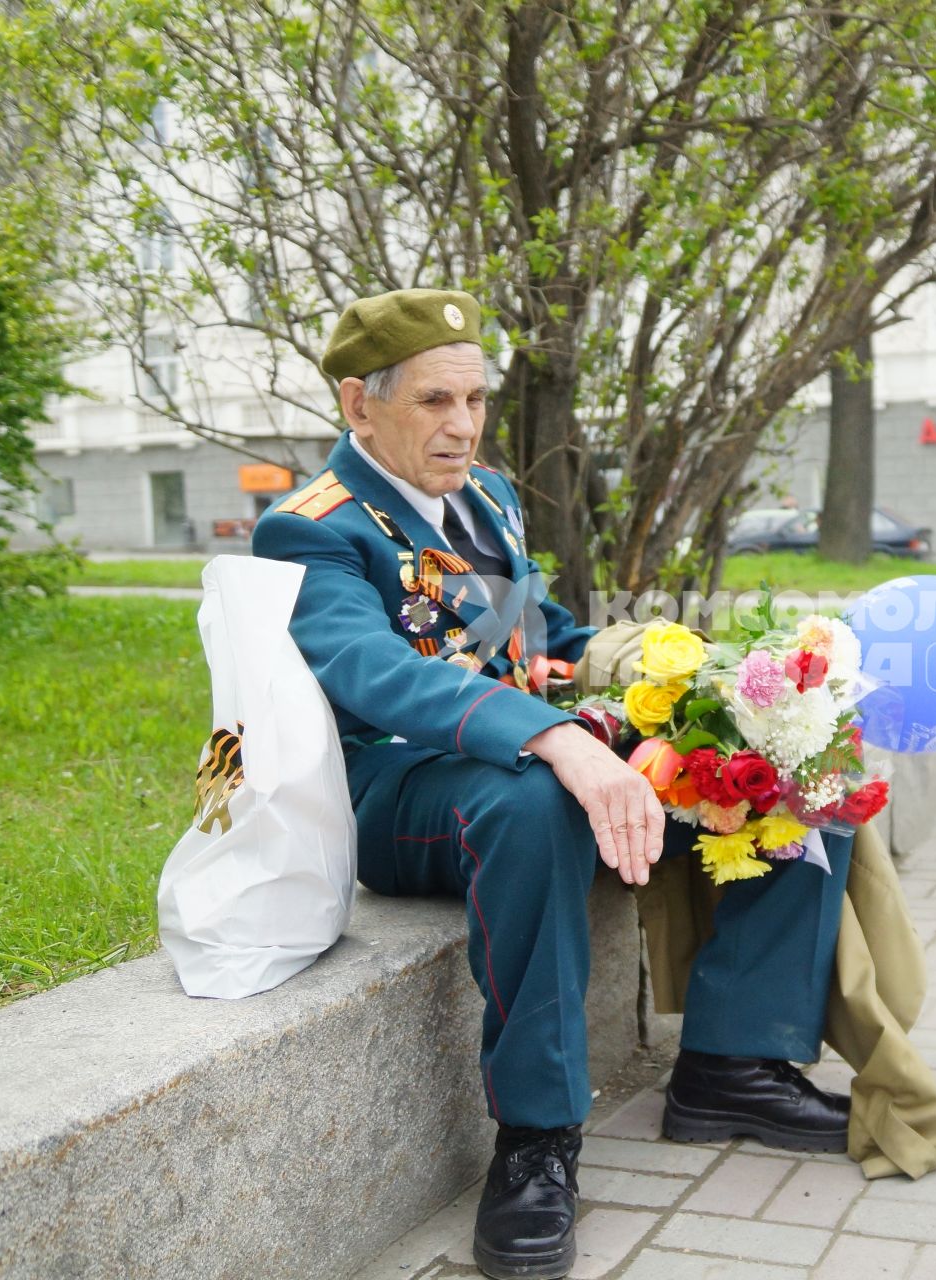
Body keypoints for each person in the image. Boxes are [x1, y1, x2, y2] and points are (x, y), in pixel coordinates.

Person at [253, 289, 853, 1280]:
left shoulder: (486, 496)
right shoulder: (312, 527)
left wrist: (694, 672)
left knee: (789, 753)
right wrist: (549, 737)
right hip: (402, 794)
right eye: (435, 400)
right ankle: (536, 1141)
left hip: (528, 752)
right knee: (534, 798)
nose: (463, 425)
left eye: (476, 398)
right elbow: (373, 671)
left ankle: (732, 1063)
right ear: (361, 403)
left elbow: (546, 634)